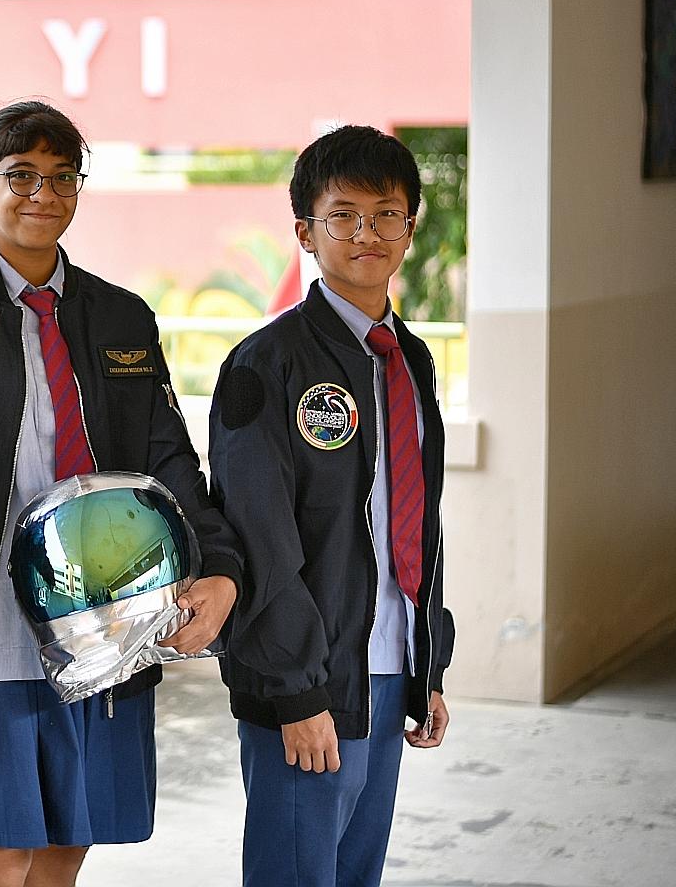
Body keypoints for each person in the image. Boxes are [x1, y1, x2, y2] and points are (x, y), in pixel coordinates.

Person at [0, 100, 243, 887]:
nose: (42, 193)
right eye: (21, 176)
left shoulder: (121, 319)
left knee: (67, 846)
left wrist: (218, 567)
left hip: (109, 626)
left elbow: (170, 465)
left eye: (60, 177)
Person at [208, 124, 457, 886]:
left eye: (386, 214)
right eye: (342, 214)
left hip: (387, 668)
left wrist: (428, 661)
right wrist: (294, 692)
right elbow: (257, 536)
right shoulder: (267, 363)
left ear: (409, 228)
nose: (366, 233)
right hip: (308, 681)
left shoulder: (409, 357)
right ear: (305, 232)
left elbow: (416, 519)